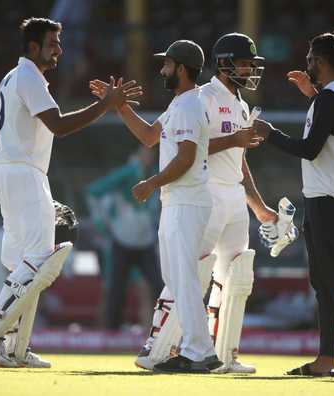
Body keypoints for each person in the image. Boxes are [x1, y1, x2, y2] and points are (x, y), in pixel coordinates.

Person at [0, 17, 142, 369]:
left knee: (22, 263)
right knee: (42, 256)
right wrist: (106, 105)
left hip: (9, 170)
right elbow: (58, 126)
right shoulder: (28, 76)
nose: (59, 49)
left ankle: (15, 347)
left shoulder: (15, 76)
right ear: (33, 47)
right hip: (22, 171)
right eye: (52, 43)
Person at [137, 33, 278, 374]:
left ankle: (224, 354)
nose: (247, 69)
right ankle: (158, 345)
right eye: (243, 63)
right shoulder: (203, 97)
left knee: (233, 279)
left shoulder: (242, 104)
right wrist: (234, 138)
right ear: (225, 63)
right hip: (205, 193)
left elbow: (239, 161)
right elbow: (193, 148)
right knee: (187, 274)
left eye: (250, 64)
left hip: (232, 196)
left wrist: (257, 205)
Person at [91, 39, 223, 373]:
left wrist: (152, 183)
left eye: (166, 65)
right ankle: (197, 348)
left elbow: (187, 157)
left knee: (184, 278)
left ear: (181, 69)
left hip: (187, 201)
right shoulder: (180, 103)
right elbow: (150, 136)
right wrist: (120, 107)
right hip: (178, 201)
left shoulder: (190, 105)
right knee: (176, 278)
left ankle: (198, 351)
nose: (161, 70)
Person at [253, 30, 334, 377]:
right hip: (323, 196)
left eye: (310, 61)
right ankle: (325, 357)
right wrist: (312, 93)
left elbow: (309, 149)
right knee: (322, 279)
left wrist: (269, 133)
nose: (306, 67)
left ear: (321, 62)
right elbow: (329, 132)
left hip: (328, 197)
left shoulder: (329, 99)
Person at [85, 146, 163, 329]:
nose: (148, 157)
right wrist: (101, 224)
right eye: (144, 153)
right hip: (122, 240)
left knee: (154, 286)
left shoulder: (153, 173)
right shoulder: (128, 172)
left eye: (150, 154)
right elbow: (94, 191)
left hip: (145, 241)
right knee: (115, 288)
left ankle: (157, 330)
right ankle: (110, 330)